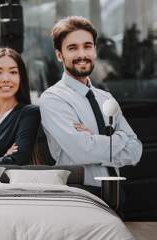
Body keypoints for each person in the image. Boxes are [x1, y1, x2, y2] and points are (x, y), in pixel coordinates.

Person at [39, 16, 142, 192]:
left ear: (94, 50)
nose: (82, 55)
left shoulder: (106, 98)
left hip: (116, 191)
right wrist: (120, 139)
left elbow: (136, 150)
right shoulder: (53, 98)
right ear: (59, 55)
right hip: (79, 192)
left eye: (87, 46)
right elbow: (82, 152)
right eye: (72, 48)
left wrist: (94, 140)